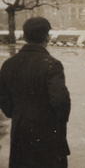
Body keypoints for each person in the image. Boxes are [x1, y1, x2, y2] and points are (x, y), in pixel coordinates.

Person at [0, 17, 71, 168]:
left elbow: (4, 100)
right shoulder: (52, 64)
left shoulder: (8, 64)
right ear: (47, 37)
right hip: (48, 132)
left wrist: (18, 113)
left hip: (20, 129)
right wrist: (57, 123)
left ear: (25, 36)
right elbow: (61, 100)